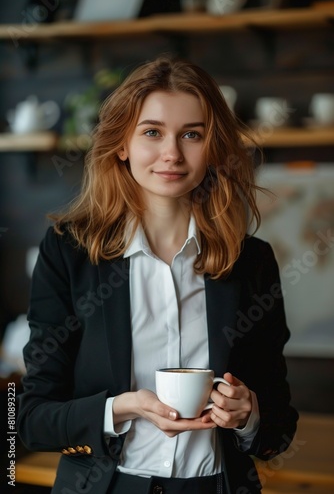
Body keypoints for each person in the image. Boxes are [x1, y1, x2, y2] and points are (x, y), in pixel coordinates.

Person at [17, 56, 298, 494]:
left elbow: (279, 430)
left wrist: (249, 416)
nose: (172, 153)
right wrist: (122, 408)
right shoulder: (69, 253)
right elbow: (30, 420)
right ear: (122, 144)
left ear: (214, 148)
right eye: (152, 132)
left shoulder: (251, 262)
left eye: (192, 134)